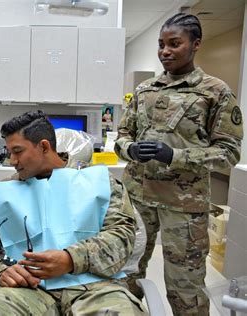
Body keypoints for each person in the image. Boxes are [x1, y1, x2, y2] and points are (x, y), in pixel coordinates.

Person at [115, 13, 243, 315]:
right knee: (124, 275)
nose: (165, 51)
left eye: (174, 44)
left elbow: (228, 152)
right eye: (161, 45)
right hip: (137, 198)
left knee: (185, 289)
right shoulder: (145, 90)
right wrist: (130, 149)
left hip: (184, 207)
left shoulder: (215, 92)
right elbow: (122, 136)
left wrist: (174, 156)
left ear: (195, 44)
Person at [0, 110, 146, 315]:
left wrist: (71, 259)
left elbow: (122, 236)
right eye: (9, 153)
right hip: (29, 289)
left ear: (44, 146)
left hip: (95, 287)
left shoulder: (98, 183)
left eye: (17, 151)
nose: (11, 161)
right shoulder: (5, 192)